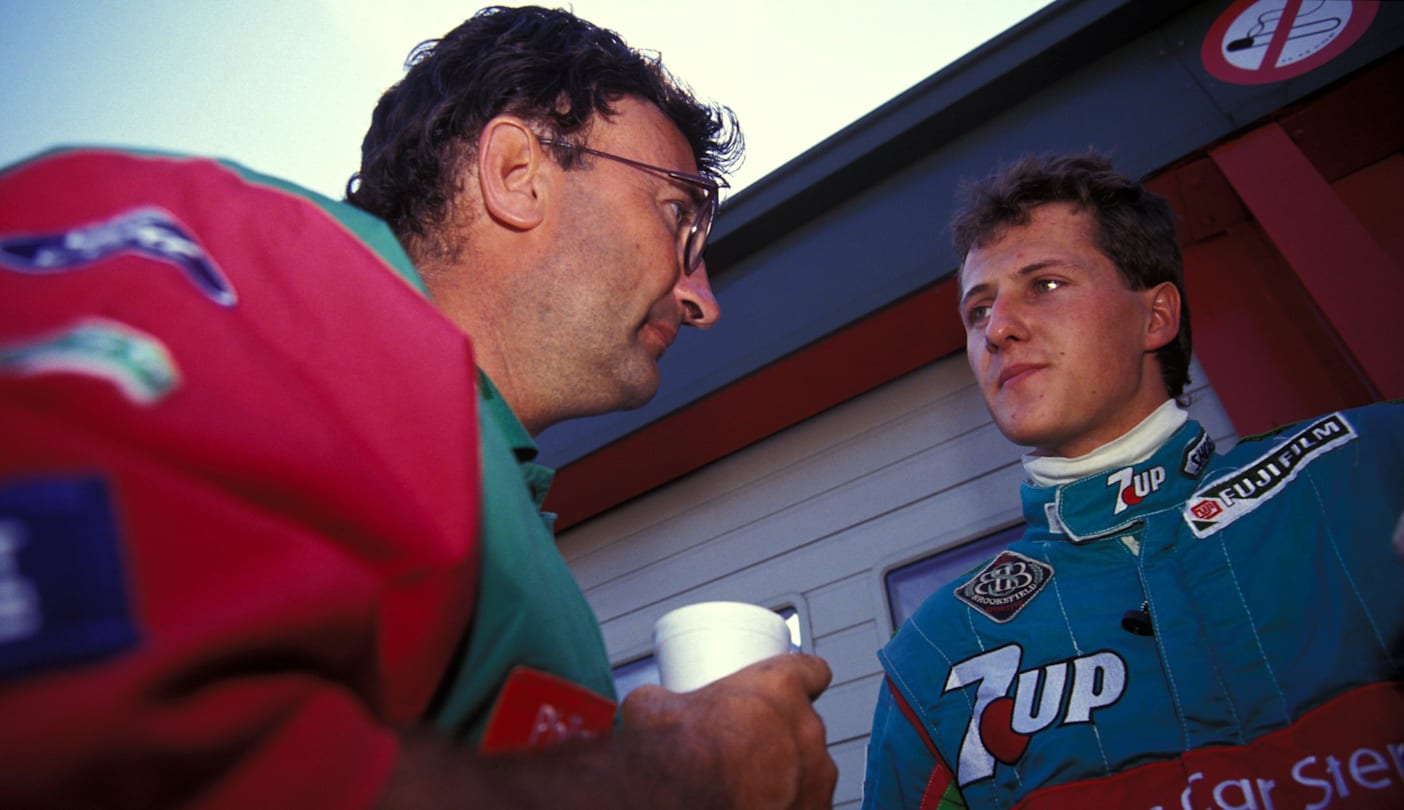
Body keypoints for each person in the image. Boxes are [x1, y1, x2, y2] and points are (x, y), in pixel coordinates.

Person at [0, 6, 835, 809]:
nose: (702, 299)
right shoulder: (243, 263)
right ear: (517, 174)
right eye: (679, 214)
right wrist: (687, 778)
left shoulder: (500, 510)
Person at [861, 152, 1404, 809]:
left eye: (1045, 284)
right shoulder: (935, 653)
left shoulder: (1384, 467)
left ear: (1156, 316)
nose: (997, 329)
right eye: (977, 312)